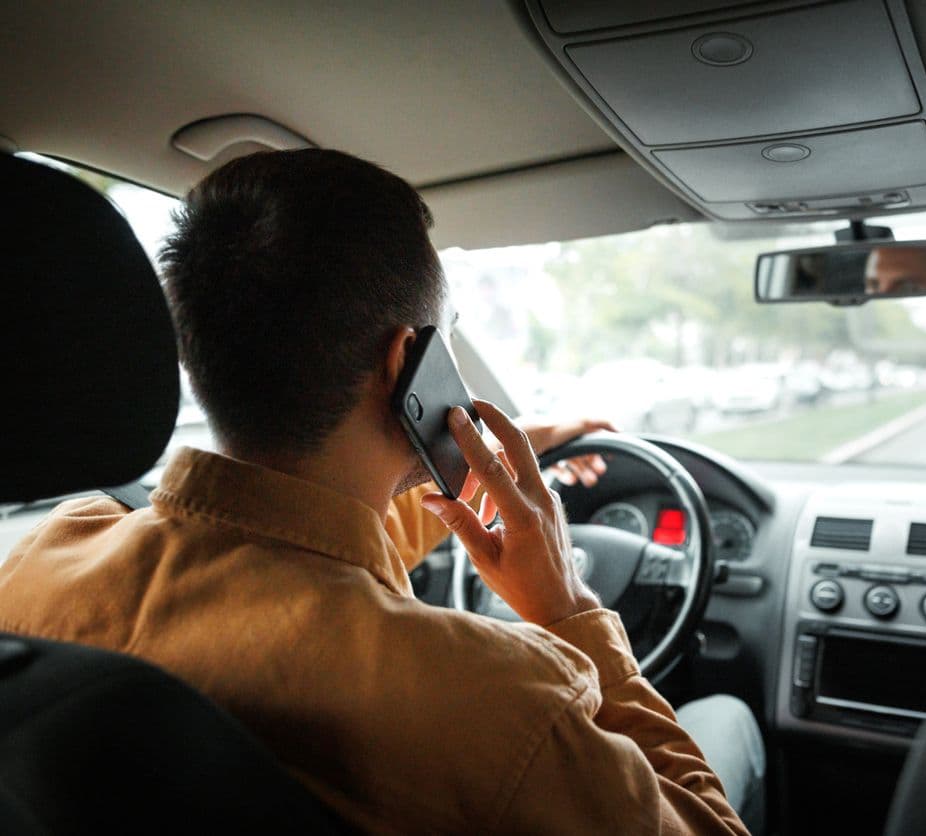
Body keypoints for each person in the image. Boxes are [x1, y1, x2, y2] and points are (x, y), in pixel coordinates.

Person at [0, 149, 765, 834]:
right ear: (408, 362)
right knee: (726, 719)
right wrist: (568, 612)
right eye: (447, 336)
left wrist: (495, 455)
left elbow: (285, 557)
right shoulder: (496, 700)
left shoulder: (42, 563)